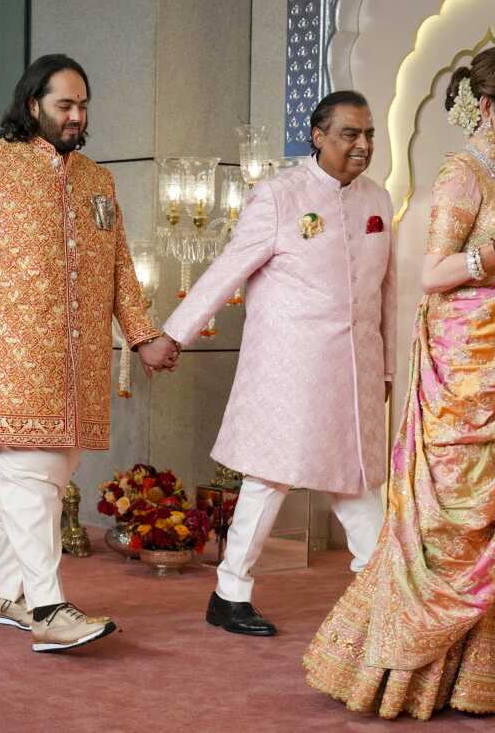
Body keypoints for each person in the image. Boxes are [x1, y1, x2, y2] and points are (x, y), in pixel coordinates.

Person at [303, 47, 495, 725]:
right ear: (486, 105)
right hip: (465, 376)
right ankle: (405, 673)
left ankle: (490, 677)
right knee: (449, 527)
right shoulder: (460, 175)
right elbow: (432, 274)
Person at [0, 54, 178, 653]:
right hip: (5, 359)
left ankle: (5, 594)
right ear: (32, 106)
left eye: (83, 105)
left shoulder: (98, 179)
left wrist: (143, 336)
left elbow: (120, 267)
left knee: (47, 476)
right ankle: (46, 608)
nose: (76, 116)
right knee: (28, 481)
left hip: (77, 367)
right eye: (65, 105)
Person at [163, 91, 395, 637]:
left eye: (368, 135)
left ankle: (380, 588)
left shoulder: (378, 200)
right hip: (290, 367)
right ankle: (230, 593)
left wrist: (386, 369)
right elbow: (228, 269)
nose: (362, 145)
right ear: (317, 135)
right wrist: (173, 334)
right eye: (349, 134)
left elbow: (389, 293)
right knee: (270, 477)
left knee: (357, 479)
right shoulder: (279, 195)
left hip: (356, 367)